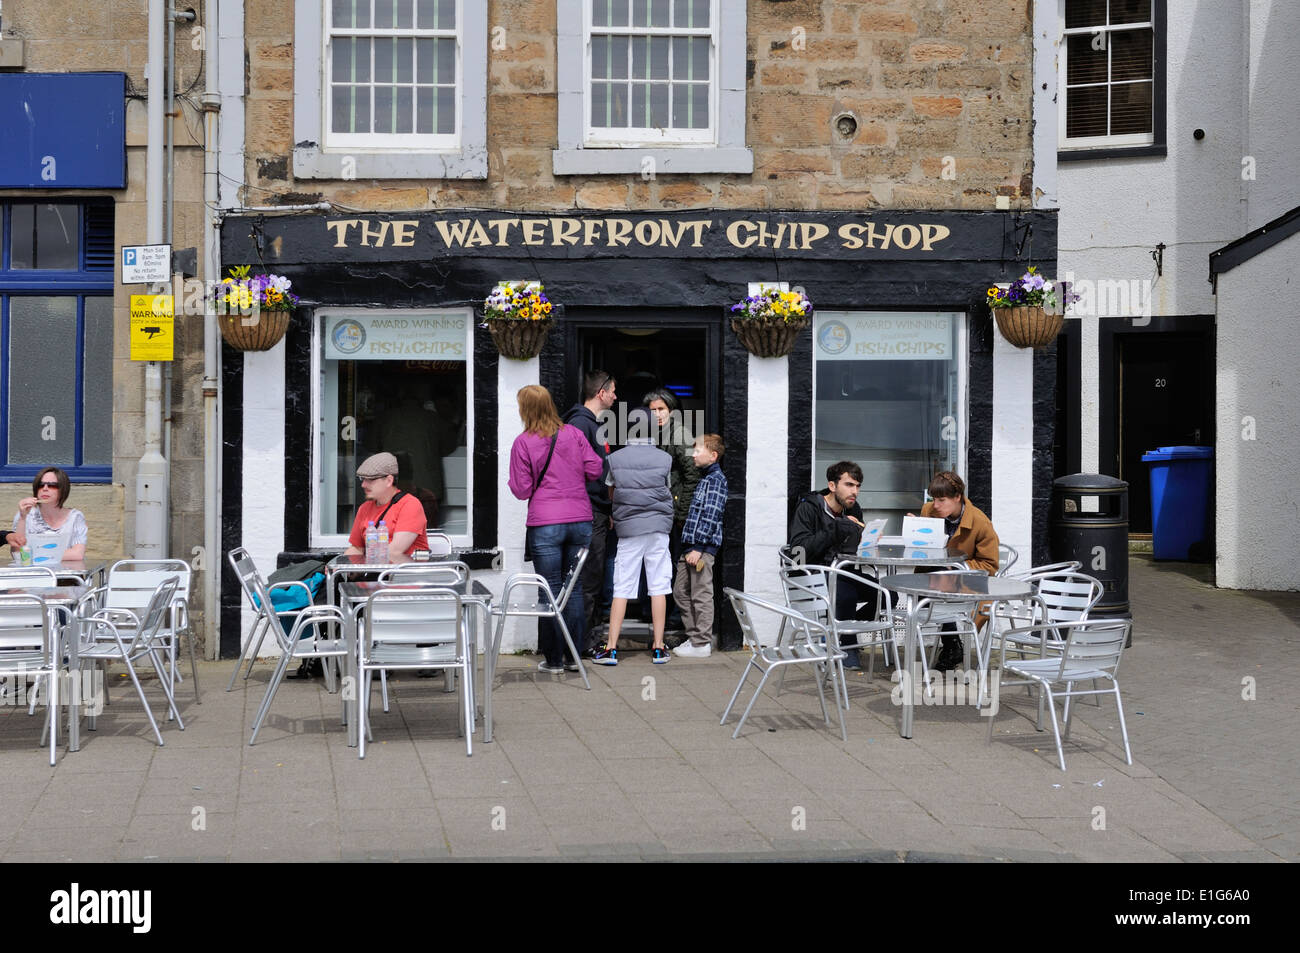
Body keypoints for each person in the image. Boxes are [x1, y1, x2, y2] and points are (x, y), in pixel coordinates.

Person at [509, 385, 603, 674]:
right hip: (579, 520)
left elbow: (522, 490)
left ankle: (553, 660)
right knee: (572, 590)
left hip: (546, 522)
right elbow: (596, 469)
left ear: (526, 409)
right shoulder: (574, 434)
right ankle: (574, 657)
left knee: (548, 590)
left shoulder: (523, 442)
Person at [592, 407, 674, 666]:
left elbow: (612, 493)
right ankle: (659, 647)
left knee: (622, 587)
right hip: (658, 529)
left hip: (629, 529)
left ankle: (612, 648)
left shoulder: (615, 459)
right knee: (659, 585)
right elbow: (666, 488)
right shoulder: (664, 459)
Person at [788, 461, 871, 668]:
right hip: (811, 574)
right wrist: (835, 529)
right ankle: (848, 645)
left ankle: (835, 634)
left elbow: (852, 550)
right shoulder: (808, 507)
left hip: (842, 572)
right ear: (832, 486)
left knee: (888, 596)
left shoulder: (853, 509)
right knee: (846, 591)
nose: (855, 492)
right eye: (849, 485)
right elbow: (798, 554)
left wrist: (867, 538)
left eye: (858, 486)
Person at [917, 470, 1000, 671]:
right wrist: (915, 531)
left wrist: (956, 566)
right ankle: (952, 645)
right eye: (933, 499)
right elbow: (924, 548)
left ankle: (951, 646)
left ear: (957, 498)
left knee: (936, 580)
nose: (936, 505)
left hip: (968, 582)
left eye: (942, 500)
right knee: (925, 584)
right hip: (932, 579)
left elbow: (990, 564)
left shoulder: (980, 522)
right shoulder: (928, 511)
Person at [562, 369, 617, 654]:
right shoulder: (581, 425)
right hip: (588, 510)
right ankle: (581, 644)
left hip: (594, 509)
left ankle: (585, 641)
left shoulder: (588, 423)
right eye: (613, 391)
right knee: (588, 578)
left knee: (590, 577)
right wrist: (603, 505)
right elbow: (585, 473)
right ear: (601, 393)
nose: (616, 396)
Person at [672, 434, 727, 658]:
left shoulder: (715, 480)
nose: (692, 454)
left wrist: (699, 548)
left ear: (713, 456)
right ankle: (695, 638)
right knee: (680, 592)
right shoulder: (705, 478)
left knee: (701, 593)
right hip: (691, 547)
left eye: (697, 451)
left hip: (701, 550)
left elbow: (711, 515)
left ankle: (702, 642)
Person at [344, 452, 430, 562]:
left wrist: (361, 568)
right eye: (362, 479)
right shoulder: (364, 508)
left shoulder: (410, 505)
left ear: (389, 480)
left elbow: (394, 552)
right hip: (374, 573)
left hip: (404, 576)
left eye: (370, 479)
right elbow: (356, 548)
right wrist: (340, 567)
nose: (363, 485)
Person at [9, 467, 87, 562]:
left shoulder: (75, 517)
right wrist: (22, 517)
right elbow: (17, 554)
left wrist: (32, 554)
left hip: (66, 574)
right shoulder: (25, 514)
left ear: (63, 489)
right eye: (41, 485)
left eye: (52, 485)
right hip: (34, 574)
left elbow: (77, 554)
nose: (45, 489)